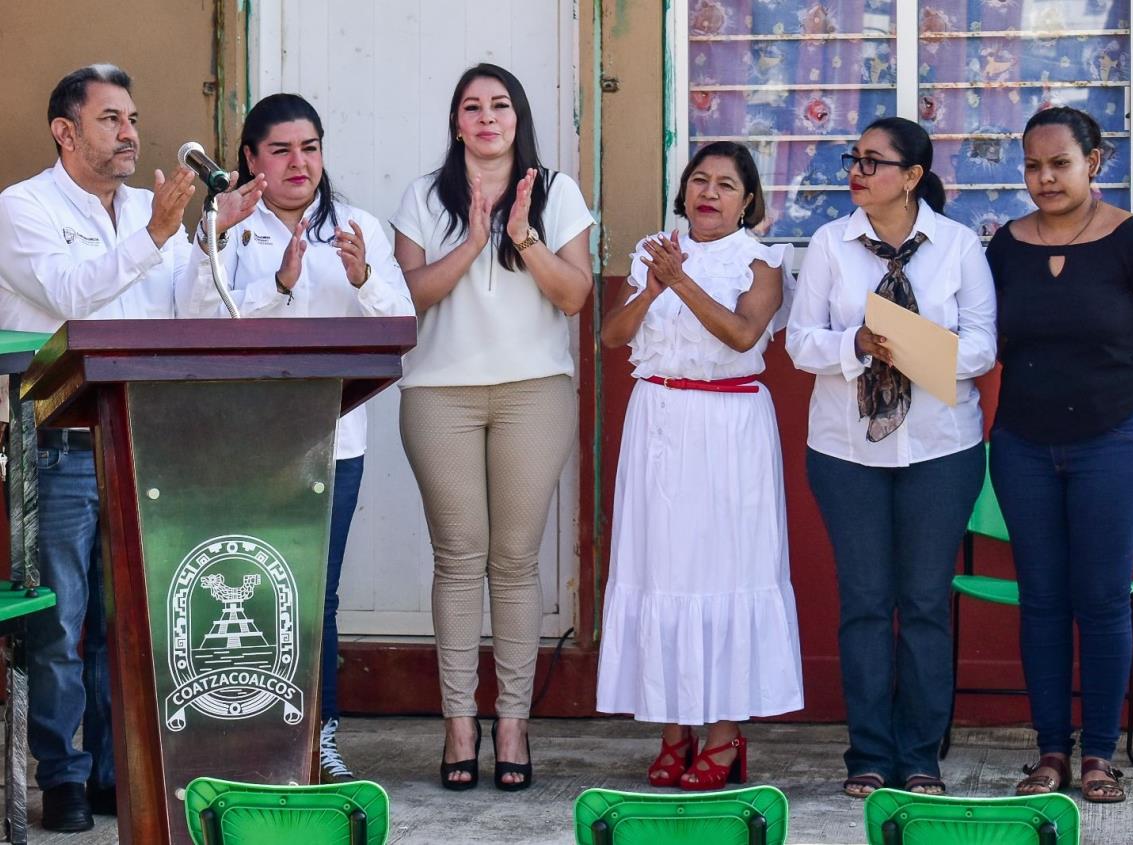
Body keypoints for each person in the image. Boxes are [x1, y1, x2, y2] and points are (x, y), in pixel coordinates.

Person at [175, 92, 415, 783]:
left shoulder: (356, 226)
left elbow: (400, 322)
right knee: (245, 584)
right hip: (244, 442)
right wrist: (273, 286)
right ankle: (244, 738)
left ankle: (319, 738)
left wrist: (362, 275)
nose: (298, 162)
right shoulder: (227, 226)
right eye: (279, 149)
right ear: (250, 159)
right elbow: (194, 320)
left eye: (308, 147)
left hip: (334, 440)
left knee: (318, 596)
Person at [0, 64, 215, 832]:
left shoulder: (148, 204)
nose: (130, 133)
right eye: (111, 119)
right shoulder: (20, 208)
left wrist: (215, 240)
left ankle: (115, 769)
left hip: (142, 437)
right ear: (65, 131)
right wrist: (156, 234)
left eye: (132, 118)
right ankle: (60, 773)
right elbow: (68, 294)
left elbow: (184, 310)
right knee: (61, 620)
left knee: (129, 618)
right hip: (56, 445)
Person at [390, 63, 594, 791]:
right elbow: (407, 298)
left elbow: (575, 297)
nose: (486, 117)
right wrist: (472, 242)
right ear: (456, 122)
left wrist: (523, 238)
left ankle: (512, 722)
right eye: (471, 106)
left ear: (518, 117)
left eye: (499, 105)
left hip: (533, 392)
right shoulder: (423, 195)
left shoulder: (555, 192)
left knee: (512, 559)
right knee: (458, 555)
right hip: (439, 394)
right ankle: (458, 722)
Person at [786, 117, 997, 798]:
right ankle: (869, 754)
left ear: (910, 177)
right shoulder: (828, 243)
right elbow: (799, 342)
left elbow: (980, 349)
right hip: (845, 452)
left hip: (941, 449)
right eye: (855, 158)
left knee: (926, 602)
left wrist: (902, 344)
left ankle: (920, 756)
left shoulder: (959, 246)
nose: (857, 171)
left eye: (873, 162)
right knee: (866, 603)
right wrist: (857, 343)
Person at [595, 141, 803, 790]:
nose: (708, 192)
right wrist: (651, 284)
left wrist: (678, 281)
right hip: (658, 419)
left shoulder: (762, 261)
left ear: (747, 201)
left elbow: (743, 334)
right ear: (682, 191)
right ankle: (672, 727)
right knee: (662, 566)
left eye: (725, 184)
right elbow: (612, 336)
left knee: (724, 568)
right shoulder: (651, 251)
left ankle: (722, 731)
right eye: (698, 180)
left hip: (728, 426)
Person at [985, 106, 1133, 804]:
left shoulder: (1129, 239)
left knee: (1103, 599)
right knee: (1042, 601)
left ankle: (1100, 756)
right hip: (1022, 443)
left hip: (1112, 442)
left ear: (1094, 161)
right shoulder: (1004, 246)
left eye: (1058, 163)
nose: (1044, 177)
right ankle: (1050, 751)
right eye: (1031, 164)